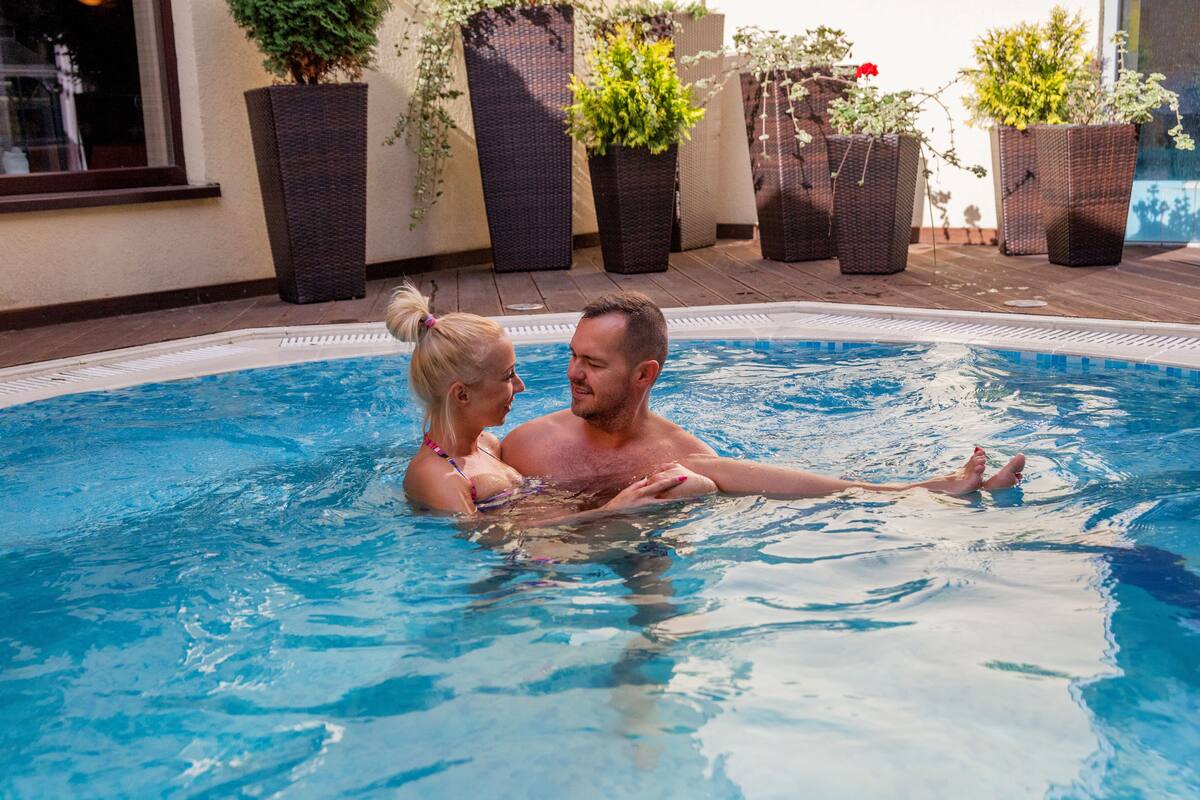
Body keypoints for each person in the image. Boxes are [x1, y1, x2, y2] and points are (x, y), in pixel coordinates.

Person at [500, 291, 1025, 497]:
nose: (572, 373)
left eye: (592, 364)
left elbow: (826, 492)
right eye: (573, 356)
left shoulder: (684, 454)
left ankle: (935, 490)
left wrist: (928, 489)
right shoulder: (528, 446)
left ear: (644, 375)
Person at [386, 284, 697, 515]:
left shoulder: (489, 446)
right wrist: (610, 512)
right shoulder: (438, 478)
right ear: (462, 394)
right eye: (508, 376)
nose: (520, 386)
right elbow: (485, 541)